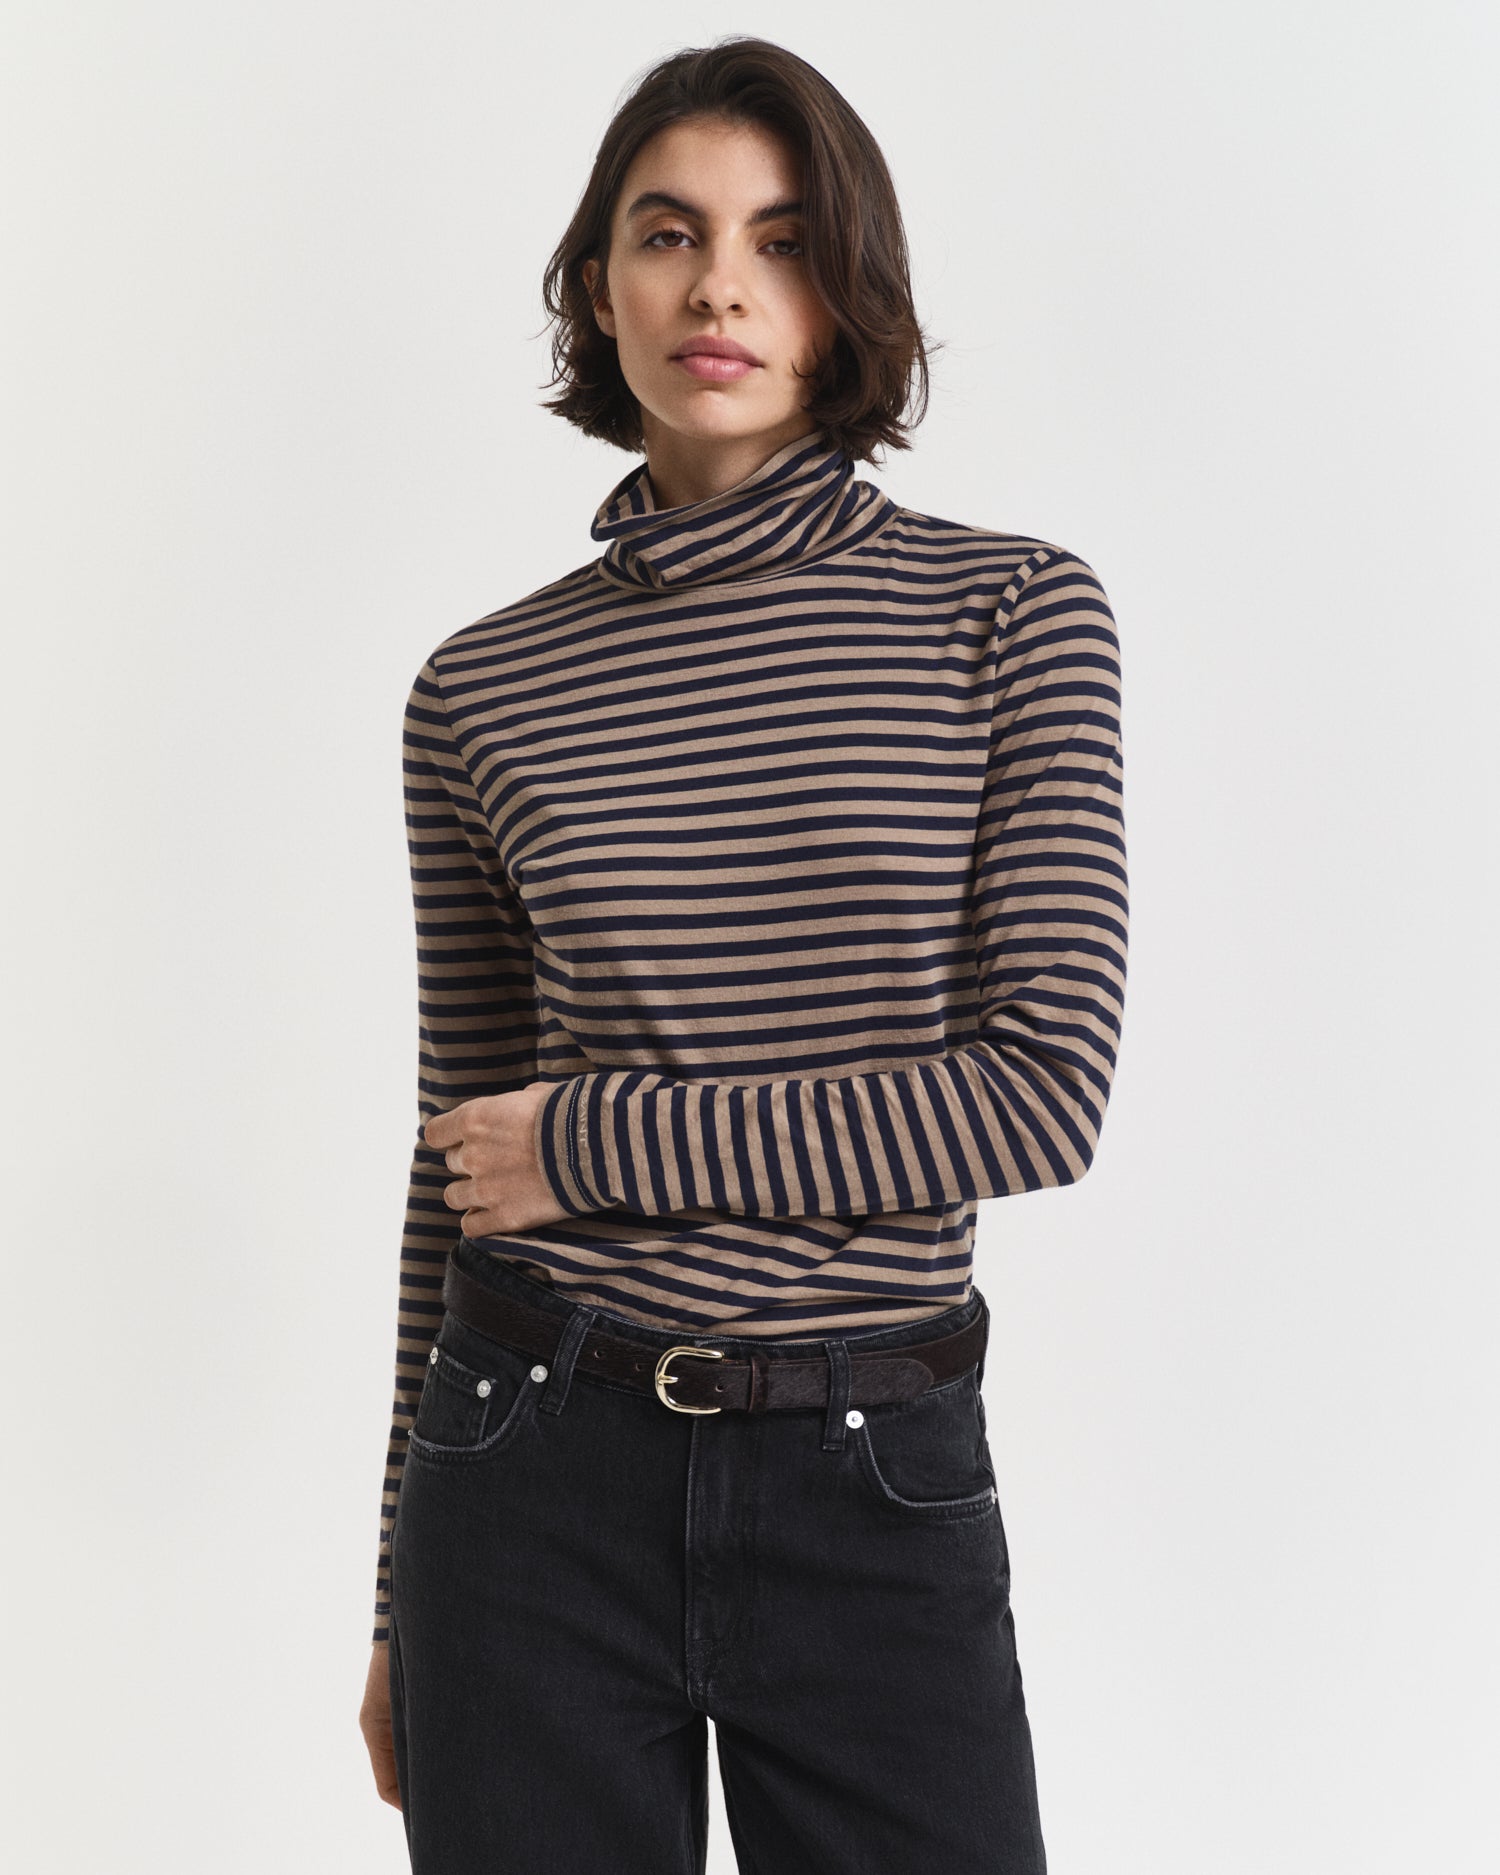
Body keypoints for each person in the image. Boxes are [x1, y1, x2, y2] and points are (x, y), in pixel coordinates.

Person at [358, 34, 1127, 1874]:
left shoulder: (1011, 614)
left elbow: (1041, 1097)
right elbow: (457, 1159)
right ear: (594, 286)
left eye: (782, 242)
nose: (720, 286)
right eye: (668, 233)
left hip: (872, 1462)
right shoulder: (482, 688)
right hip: (527, 1466)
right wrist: (394, 1581)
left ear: (850, 293)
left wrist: (598, 1142)